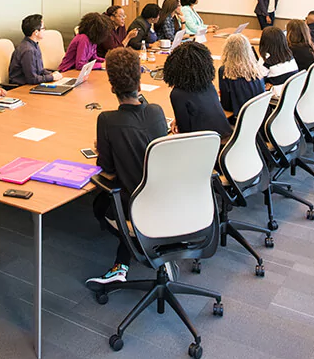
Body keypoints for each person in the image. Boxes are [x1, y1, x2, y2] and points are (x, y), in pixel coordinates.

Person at [86, 48, 168, 285]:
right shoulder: (156, 111)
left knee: (100, 205)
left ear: (112, 87)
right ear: (139, 81)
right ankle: (133, 257)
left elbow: (108, 171)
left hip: (135, 205)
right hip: (167, 198)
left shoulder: (107, 120)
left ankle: (130, 252)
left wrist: (104, 148)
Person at [163, 42, 232, 141]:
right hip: (226, 139)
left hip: (205, 145)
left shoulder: (177, 94)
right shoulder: (209, 85)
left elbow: (184, 132)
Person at [218, 34, 265, 123]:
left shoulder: (226, 71)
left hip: (239, 119)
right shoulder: (256, 68)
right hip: (259, 116)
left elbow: (226, 105)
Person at [9, 14, 62, 85]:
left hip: (31, 84)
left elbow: (39, 70)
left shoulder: (34, 45)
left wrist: (51, 74)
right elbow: (32, 79)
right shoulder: (28, 50)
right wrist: (51, 77)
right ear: (36, 32)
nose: (44, 30)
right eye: (43, 28)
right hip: (22, 86)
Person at [258, 26, 299, 96]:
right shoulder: (289, 56)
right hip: (293, 93)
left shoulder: (266, 59)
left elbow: (258, 80)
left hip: (277, 96)